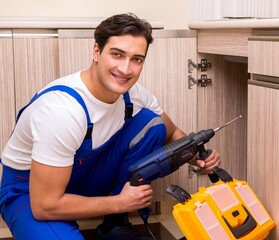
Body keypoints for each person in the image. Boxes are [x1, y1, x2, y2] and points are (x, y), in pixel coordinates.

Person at [0, 13, 221, 240]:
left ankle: (114, 227)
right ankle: (114, 211)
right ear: (96, 51)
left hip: (82, 172)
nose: (125, 69)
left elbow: (172, 132)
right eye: (117, 54)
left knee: (153, 124)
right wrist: (120, 202)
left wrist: (196, 156)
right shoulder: (62, 111)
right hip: (30, 192)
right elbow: (44, 205)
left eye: (136, 59)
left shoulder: (132, 94)